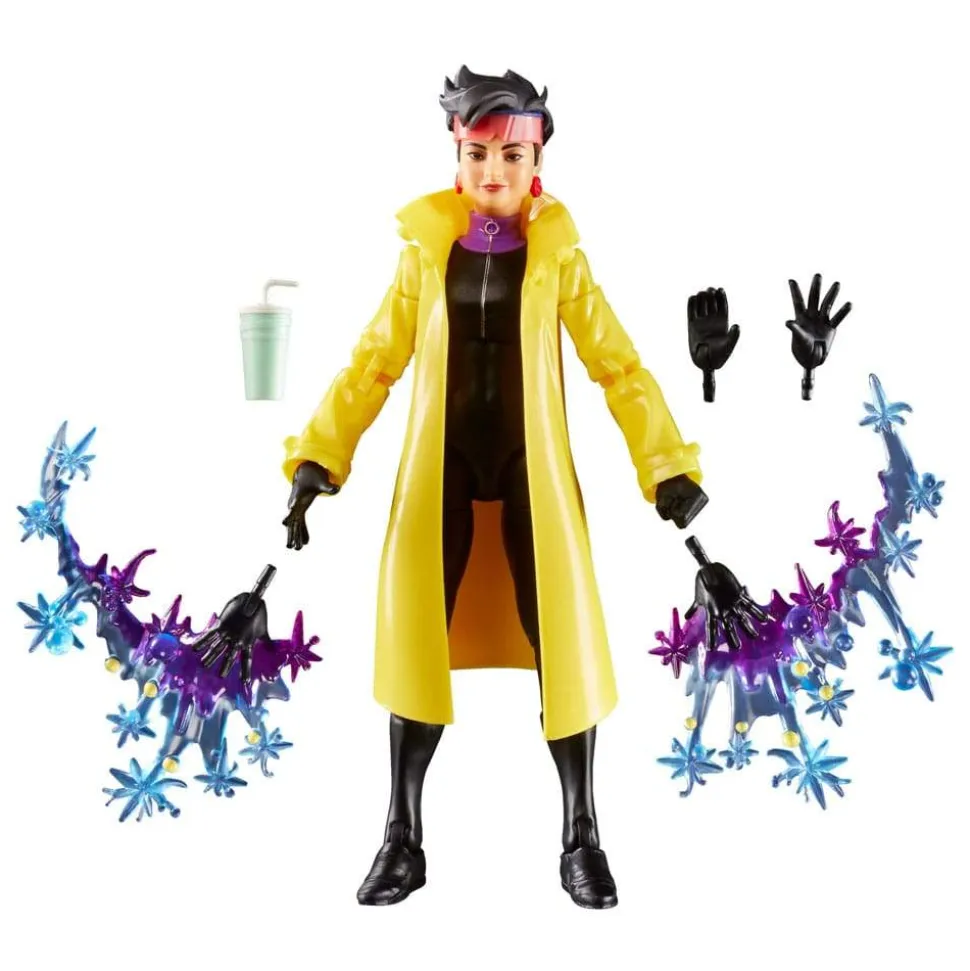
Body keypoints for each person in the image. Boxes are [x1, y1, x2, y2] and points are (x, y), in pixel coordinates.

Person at [281, 66, 708, 909]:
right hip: (439, 468)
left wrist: (666, 466)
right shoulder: (424, 255)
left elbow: (616, 364)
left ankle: (582, 832)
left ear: (537, 160)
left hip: (526, 471)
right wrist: (318, 458)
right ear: (456, 156)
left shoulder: (557, 258)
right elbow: (374, 362)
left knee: (561, 643)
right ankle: (401, 834)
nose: (492, 171)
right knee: (419, 641)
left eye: (511, 154)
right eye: (478, 153)